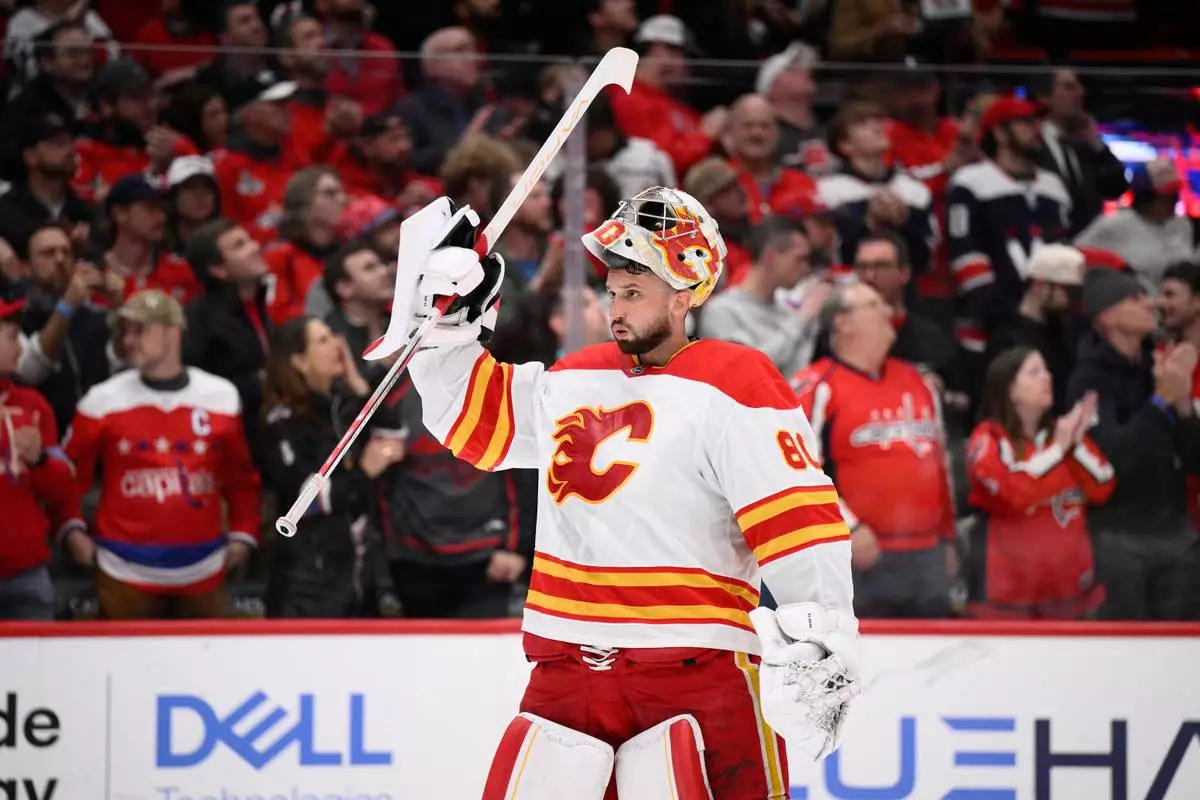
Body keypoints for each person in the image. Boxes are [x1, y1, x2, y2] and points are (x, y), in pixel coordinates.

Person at [400, 188, 860, 798]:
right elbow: (470, 422)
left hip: (697, 669)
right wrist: (445, 323)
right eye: (613, 291)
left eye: (634, 293)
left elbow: (799, 519)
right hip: (566, 671)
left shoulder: (736, 382)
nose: (616, 308)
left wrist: (819, 641)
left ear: (685, 291)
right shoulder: (575, 376)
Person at [64, 290, 262, 619]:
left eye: (140, 330)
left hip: (205, 568)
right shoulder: (101, 400)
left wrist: (243, 533)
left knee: (206, 666)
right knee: (123, 668)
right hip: (123, 570)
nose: (128, 340)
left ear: (172, 333)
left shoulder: (221, 396)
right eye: (124, 331)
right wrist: (72, 531)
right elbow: (67, 476)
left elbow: (240, 477)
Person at [792, 281, 958, 619]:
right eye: (874, 304)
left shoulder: (920, 382)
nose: (888, 311)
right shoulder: (816, 386)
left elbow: (943, 466)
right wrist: (847, 528)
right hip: (861, 558)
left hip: (928, 556)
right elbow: (797, 471)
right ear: (843, 322)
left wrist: (949, 537)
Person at [1066, 269, 1200, 620]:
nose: (1152, 303)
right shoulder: (1086, 382)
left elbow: (1195, 461)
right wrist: (1159, 403)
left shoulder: (1155, 369)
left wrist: (1183, 406)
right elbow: (1110, 461)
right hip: (1118, 539)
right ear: (1108, 316)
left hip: (1176, 535)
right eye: (1137, 298)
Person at [966, 347, 1113, 619]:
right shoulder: (989, 439)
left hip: (1068, 589)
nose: (1047, 377)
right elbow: (1010, 494)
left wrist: (1074, 445)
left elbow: (1103, 486)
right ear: (1010, 390)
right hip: (1007, 592)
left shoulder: (1063, 435)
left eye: (1046, 371)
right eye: (1034, 372)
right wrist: (1057, 452)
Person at [260, 316, 389, 618]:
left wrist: (359, 388)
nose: (338, 345)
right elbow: (306, 500)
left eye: (333, 336)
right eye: (323, 340)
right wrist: (364, 472)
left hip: (359, 573)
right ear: (299, 362)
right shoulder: (283, 420)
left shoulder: (343, 406)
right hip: (309, 581)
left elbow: (394, 438)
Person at [0, 296, 81, 620]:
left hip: (27, 573)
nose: (20, 346)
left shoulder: (34, 404)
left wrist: (39, 461)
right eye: (9, 335)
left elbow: (62, 489)